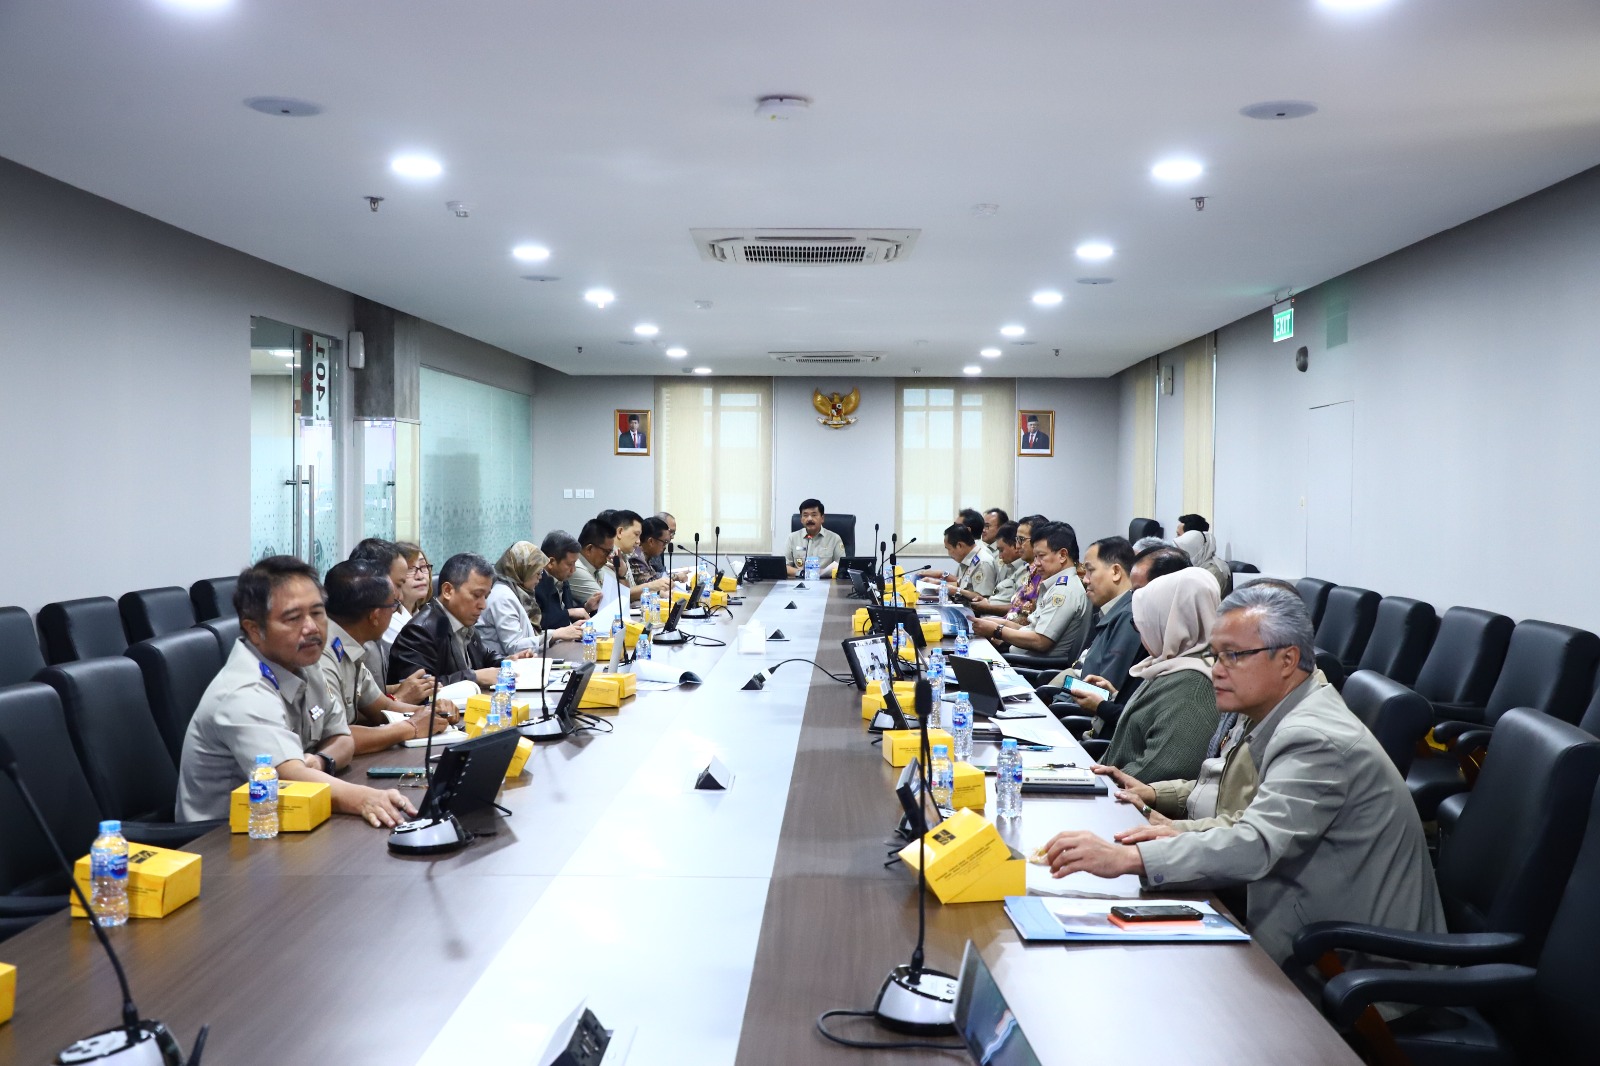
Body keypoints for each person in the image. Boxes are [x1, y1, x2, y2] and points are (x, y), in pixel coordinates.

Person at [1042, 583, 1446, 967]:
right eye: (1216, 655)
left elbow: (1256, 843)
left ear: (1287, 660)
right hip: (1302, 928)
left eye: (1233, 655)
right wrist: (1176, 830)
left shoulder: (1314, 737)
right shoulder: (1276, 711)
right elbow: (1249, 817)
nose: (1217, 670)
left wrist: (1128, 858)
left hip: (1347, 965)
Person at [175, 556, 417, 828]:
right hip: (223, 840)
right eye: (293, 618)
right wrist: (365, 798)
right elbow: (289, 778)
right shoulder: (243, 691)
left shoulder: (305, 663)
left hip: (287, 820)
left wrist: (322, 761)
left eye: (317, 612)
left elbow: (343, 737)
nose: (312, 628)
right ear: (254, 630)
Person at [1094, 568, 1220, 784]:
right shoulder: (1171, 665)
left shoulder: (1193, 687)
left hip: (1125, 804)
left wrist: (1092, 781)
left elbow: (1157, 772)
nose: (1140, 632)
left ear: (1169, 622)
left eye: (1142, 623)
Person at [318, 561, 453, 755]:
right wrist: (410, 727)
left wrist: (432, 714)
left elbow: (383, 707)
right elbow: (337, 736)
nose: (395, 612)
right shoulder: (322, 654)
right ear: (375, 615)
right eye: (394, 605)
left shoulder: (352, 645)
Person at [388, 552, 532, 687]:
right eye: (476, 595)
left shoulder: (463, 621)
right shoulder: (419, 632)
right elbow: (420, 688)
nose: (483, 605)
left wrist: (509, 662)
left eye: (486, 597)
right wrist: (475, 677)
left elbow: (484, 656)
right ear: (447, 591)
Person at [1051, 537, 1145, 723]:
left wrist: (1059, 699)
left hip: (1087, 723)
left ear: (1116, 571)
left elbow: (1102, 691)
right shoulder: (1112, 611)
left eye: (1090, 571)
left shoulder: (1127, 618)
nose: (1085, 580)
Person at [971, 522, 1092, 660]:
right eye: (1035, 557)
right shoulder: (1055, 584)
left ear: (1063, 555)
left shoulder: (1063, 591)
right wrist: (999, 623)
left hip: (1029, 664)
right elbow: (1033, 629)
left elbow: (1040, 641)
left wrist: (996, 630)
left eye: (1041, 556)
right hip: (1019, 655)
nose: (1037, 563)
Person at [479, 541, 582, 658]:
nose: (540, 577)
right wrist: (555, 634)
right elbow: (514, 647)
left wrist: (564, 632)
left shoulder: (518, 593)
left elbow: (530, 637)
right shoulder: (502, 598)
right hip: (502, 669)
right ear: (522, 570)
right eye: (537, 572)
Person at [537, 530, 591, 625]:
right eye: (570, 564)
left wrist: (587, 607)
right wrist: (568, 613)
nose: (573, 570)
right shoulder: (535, 582)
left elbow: (565, 613)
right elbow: (537, 621)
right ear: (551, 562)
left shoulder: (561, 578)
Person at [936, 522, 1000, 600]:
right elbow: (963, 585)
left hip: (976, 611)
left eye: (949, 549)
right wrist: (937, 584)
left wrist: (957, 591)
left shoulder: (983, 562)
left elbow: (983, 598)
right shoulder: (967, 560)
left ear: (959, 545)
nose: (949, 554)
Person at [785, 498, 846, 577]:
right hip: (799, 583)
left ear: (822, 518)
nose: (809, 519)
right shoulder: (792, 538)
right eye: (805, 515)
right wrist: (801, 573)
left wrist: (823, 572)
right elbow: (785, 566)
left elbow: (842, 566)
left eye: (814, 515)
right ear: (801, 519)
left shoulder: (834, 539)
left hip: (826, 583)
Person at [567, 516, 617, 606]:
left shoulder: (598, 568)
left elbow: (619, 595)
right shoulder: (575, 567)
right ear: (589, 549)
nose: (609, 557)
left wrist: (621, 574)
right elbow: (606, 603)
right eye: (607, 552)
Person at [1176, 525, 1233, 597]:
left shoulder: (1214, 573)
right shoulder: (1198, 567)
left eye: (1186, 550)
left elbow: (1204, 603)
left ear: (1198, 551)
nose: (1182, 554)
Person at [986, 523, 1029, 602]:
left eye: (1001, 550)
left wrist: (987, 606)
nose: (999, 556)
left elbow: (1020, 605)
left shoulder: (1028, 569)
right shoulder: (1005, 566)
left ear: (1015, 546)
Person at [649, 512, 677, 577]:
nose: (672, 537)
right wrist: (675, 576)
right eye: (671, 531)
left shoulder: (661, 544)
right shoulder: (649, 545)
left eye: (674, 533)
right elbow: (651, 577)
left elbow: (661, 571)